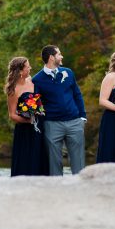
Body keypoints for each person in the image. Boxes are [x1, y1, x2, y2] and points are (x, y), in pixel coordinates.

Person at [32, 45, 86, 175]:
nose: (61, 56)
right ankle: (56, 192)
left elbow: (77, 94)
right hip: (52, 125)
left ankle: (81, 191)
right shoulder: (37, 80)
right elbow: (36, 104)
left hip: (74, 122)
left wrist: (82, 116)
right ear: (51, 57)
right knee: (54, 163)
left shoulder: (68, 72)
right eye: (59, 54)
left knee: (78, 162)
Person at [6, 57, 49, 176]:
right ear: (20, 71)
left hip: (40, 126)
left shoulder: (32, 81)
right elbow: (12, 115)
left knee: (41, 155)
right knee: (25, 157)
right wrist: (28, 120)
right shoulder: (13, 90)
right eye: (27, 66)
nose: (30, 68)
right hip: (24, 129)